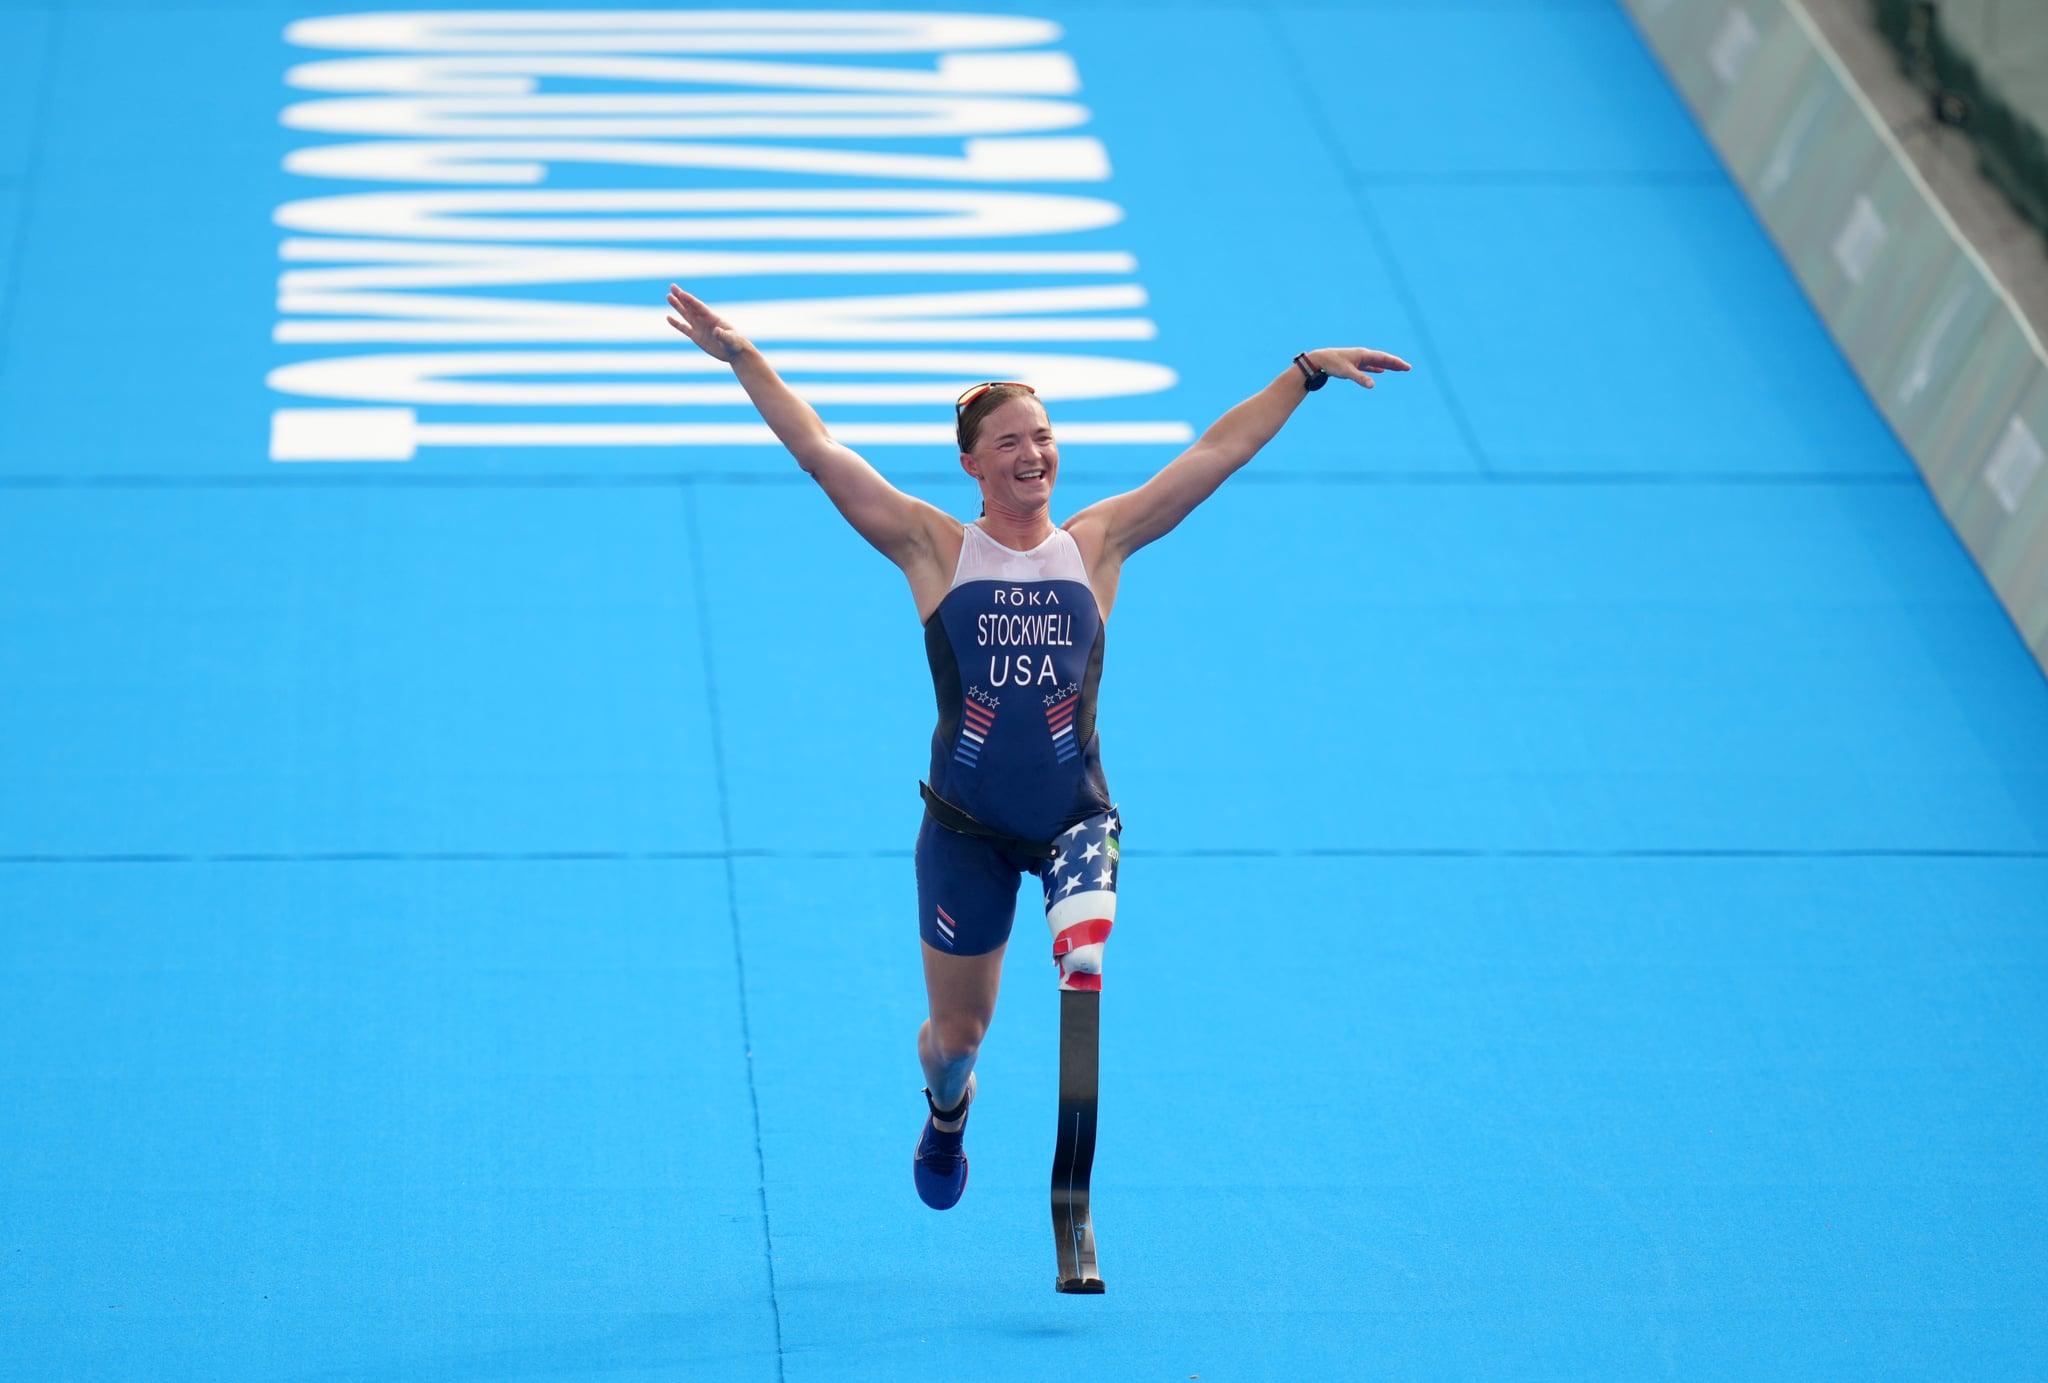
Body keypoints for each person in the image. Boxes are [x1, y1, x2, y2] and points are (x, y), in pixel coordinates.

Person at [664, 284, 1409, 1215]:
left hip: (1072, 820)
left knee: (1084, 958)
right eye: (1009, 442)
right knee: (957, 1036)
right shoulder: (933, 547)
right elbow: (820, 452)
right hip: (966, 829)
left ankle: (1076, 1003)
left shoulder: (1099, 542)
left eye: (1043, 436)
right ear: (973, 465)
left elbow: (1214, 454)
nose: (1033, 454)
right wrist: (746, 359)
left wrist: (1302, 375)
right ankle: (947, 1109)